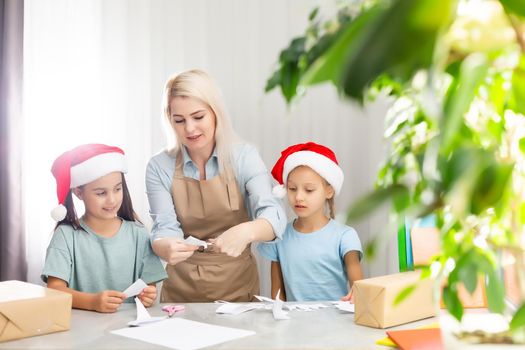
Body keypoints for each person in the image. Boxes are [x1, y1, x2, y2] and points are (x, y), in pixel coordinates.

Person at [146, 69, 286, 302]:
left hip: (238, 289)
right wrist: (164, 247)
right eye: (179, 121)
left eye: (198, 117)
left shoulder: (244, 157)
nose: (189, 129)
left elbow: (274, 215)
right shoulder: (159, 166)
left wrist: (247, 231)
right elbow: (164, 227)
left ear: (215, 113)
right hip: (182, 291)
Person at [42, 144, 167, 313]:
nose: (112, 200)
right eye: (101, 193)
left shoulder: (138, 233)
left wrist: (148, 296)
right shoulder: (65, 236)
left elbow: (149, 286)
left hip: (129, 329)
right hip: (80, 331)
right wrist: (92, 302)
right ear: (78, 193)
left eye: (117, 189)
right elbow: (54, 290)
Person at [258, 142, 363, 301]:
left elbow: (359, 289)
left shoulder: (345, 236)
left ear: (329, 190)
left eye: (309, 190)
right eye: (292, 189)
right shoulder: (279, 236)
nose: (299, 197)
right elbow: (277, 296)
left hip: (335, 323)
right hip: (294, 324)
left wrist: (358, 295)